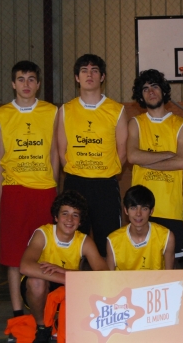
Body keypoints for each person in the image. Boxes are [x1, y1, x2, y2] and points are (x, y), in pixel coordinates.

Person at [0, 61, 59, 322]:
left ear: (38, 84)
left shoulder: (51, 111)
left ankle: (49, 315)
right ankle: (18, 315)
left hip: (44, 191)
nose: (26, 84)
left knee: (47, 256)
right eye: (21, 79)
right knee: (14, 258)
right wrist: (0, 201)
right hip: (14, 191)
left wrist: (55, 190)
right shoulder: (1, 114)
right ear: (13, 83)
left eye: (31, 79)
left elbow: (54, 154)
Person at [57, 54, 127, 258]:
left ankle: (108, 280)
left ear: (102, 77)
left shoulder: (117, 110)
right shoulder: (66, 110)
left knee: (109, 244)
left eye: (94, 70)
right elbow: (62, 150)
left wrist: (105, 171)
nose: (89, 74)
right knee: (72, 245)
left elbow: (122, 151)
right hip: (76, 184)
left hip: (105, 185)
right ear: (77, 77)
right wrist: (78, 172)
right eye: (84, 71)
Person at [19, 190, 107, 342]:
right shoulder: (43, 233)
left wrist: (66, 272)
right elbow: (25, 266)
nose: (69, 219)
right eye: (65, 213)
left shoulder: (84, 241)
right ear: (56, 217)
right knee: (36, 282)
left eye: (75, 215)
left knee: (93, 287)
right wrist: (66, 278)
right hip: (44, 285)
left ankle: (62, 322)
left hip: (67, 287)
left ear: (80, 221)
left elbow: (104, 273)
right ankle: (42, 327)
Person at [127, 69, 183, 260]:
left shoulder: (180, 124)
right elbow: (132, 156)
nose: (151, 92)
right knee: (142, 264)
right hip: (141, 210)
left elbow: (182, 161)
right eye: (145, 89)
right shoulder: (135, 123)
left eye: (155, 86)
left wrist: (145, 161)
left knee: (173, 266)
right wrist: (168, 155)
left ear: (163, 90)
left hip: (170, 208)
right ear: (140, 96)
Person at [106, 185, 175, 270]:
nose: (138, 214)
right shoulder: (113, 241)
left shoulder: (167, 237)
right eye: (133, 208)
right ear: (126, 210)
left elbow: (169, 274)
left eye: (144, 208)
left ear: (151, 211)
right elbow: (109, 276)